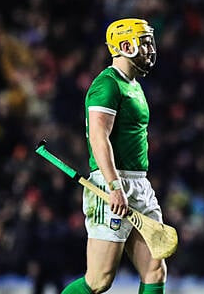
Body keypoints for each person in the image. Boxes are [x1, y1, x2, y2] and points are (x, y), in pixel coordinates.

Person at [62, 18, 166, 294]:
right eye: (143, 42)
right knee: (99, 280)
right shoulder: (107, 84)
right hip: (113, 185)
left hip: (139, 183)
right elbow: (99, 137)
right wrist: (114, 186)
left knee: (155, 268)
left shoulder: (134, 84)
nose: (150, 48)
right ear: (124, 45)